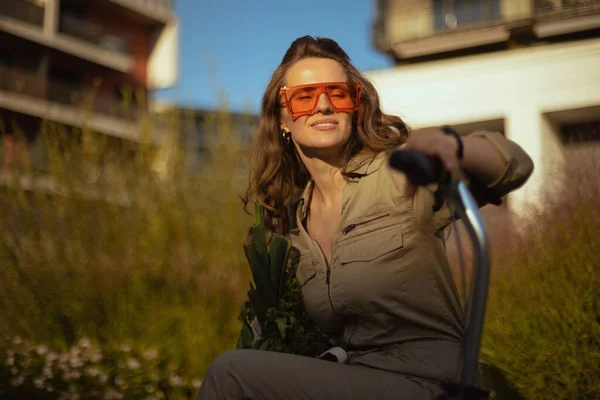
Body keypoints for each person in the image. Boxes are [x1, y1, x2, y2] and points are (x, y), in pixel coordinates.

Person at [196, 36, 534, 399]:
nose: (323, 106)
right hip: (353, 379)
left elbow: (515, 165)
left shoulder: (398, 175)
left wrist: (456, 145)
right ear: (282, 119)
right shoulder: (292, 225)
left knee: (230, 374)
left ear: (356, 107)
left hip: (432, 384)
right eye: (304, 96)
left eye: (338, 94)